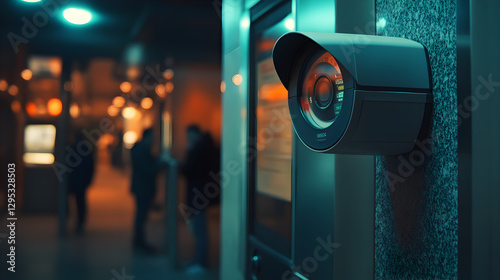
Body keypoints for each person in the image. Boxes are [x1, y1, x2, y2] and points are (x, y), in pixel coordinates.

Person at [181, 125, 219, 275]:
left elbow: (188, 169)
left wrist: (188, 151)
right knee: (198, 228)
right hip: (201, 192)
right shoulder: (205, 145)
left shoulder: (199, 148)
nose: (188, 139)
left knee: (200, 229)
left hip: (199, 193)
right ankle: (198, 260)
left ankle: (201, 262)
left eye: (189, 135)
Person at [130, 128, 167, 253]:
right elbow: (147, 170)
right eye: (152, 137)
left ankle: (139, 242)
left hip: (141, 188)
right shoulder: (142, 150)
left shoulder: (141, 148)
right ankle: (139, 242)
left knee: (141, 216)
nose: (154, 140)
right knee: (141, 216)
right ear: (147, 137)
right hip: (143, 188)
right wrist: (160, 164)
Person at [68, 132, 96, 235]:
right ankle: (80, 222)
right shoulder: (84, 149)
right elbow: (91, 166)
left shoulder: (74, 148)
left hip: (77, 180)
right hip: (81, 180)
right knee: (81, 201)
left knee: (78, 201)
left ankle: (79, 222)